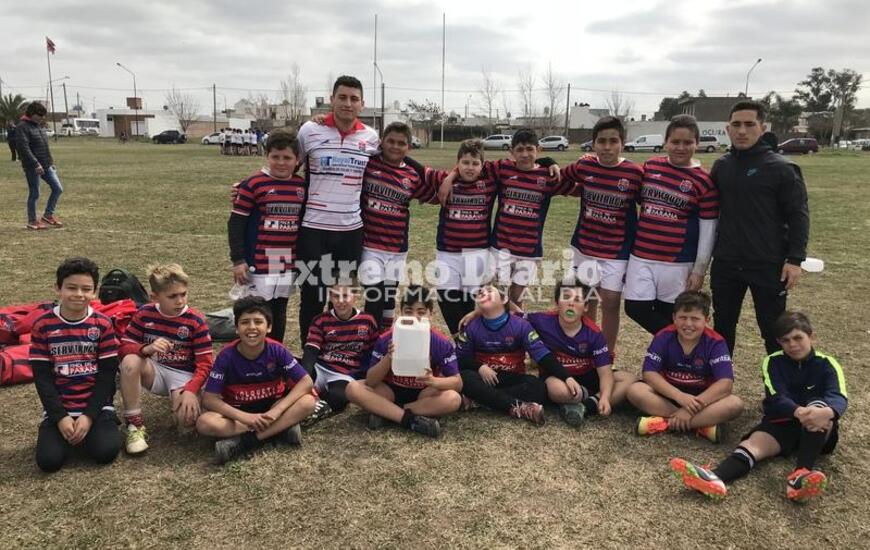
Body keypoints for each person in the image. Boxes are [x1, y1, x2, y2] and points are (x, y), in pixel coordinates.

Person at [670, 311, 847, 502]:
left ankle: (801, 475)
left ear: (811, 336)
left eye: (798, 338)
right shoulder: (773, 361)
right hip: (783, 422)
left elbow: (838, 397)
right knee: (751, 445)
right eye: (786, 340)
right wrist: (798, 411)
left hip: (819, 430)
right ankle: (716, 477)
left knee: (818, 405)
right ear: (779, 342)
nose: (793, 345)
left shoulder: (828, 364)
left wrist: (827, 412)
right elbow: (776, 397)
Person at [710, 100, 809, 356]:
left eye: (749, 124)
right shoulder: (721, 166)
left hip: (768, 264)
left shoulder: (782, 168)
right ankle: (719, 387)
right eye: (736, 125)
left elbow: (798, 216)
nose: (742, 131)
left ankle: (778, 391)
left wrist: (795, 259)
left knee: (773, 330)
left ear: (762, 127)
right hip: (727, 262)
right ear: (728, 129)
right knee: (722, 329)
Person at [296, 76, 380, 341]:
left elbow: (396, 158)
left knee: (341, 297)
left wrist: (452, 173)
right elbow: (285, 165)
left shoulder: (371, 137)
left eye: (354, 99)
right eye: (342, 97)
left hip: (350, 231)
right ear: (332, 99)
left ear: (362, 104)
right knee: (313, 295)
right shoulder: (309, 131)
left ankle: (337, 353)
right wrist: (252, 182)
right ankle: (309, 356)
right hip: (313, 229)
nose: (347, 103)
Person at [624, 115, 718, 335]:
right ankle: (680, 341)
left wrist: (700, 270)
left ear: (697, 143)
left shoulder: (704, 181)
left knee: (670, 314)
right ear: (666, 142)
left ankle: (675, 356)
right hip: (642, 256)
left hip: (677, 262)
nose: (681, 148)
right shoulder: (650, 166)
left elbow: (708, 229)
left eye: (688, 143)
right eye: (675, 142)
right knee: (635, 308)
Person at [557, 116, 644, 355]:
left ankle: (606, 355)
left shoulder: (635, 173)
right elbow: (558, 178)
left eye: (613, 141)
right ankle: (586, 347)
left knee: (611, 302)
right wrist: (573, 189)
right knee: (585, 299)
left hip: (616, 251)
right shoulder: (584, 166)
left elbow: (646, 203)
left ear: (622, 143)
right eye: (602, 141)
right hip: (584, 247)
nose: (607, 147)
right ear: (593, 144)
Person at [196, 296, 317, 465]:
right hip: (239, 414)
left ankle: (246, 442)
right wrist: (247, 418)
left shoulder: (277, 350)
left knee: (308, 402)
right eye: (245, 322)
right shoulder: (226, 356)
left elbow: (306, 382)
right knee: (204, 423)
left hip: (272, 410)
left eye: (258, 322)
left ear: (269, 327)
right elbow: (209, 398)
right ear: (237, 328)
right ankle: (280, 430)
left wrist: (277, 411)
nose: (252, 327)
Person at [29, 257, 122, 472]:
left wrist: (89, 416)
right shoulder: (43, 325)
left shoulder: (103, 324)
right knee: (48, 462)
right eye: (71, 287)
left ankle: (100, 425)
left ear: (95, 292)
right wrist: (60, 417)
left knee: (105, 453)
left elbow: (107, 376)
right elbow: (42, 378)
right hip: (61, 407)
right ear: (58, 288)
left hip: (96, 406)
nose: (79, 294)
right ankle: (59, 429)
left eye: (86, 289)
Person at [118, 263, 214, 455]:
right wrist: (146, 348)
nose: (180, 300)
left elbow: (206, 364)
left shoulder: (196, 320)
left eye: (183, 294)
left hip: (184, 375)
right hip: (155, 370)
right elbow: (123, 347)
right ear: (155, 297)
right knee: (130, 361)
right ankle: (134, 425)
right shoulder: (144, 314)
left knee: (186, 424)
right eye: (172, 296)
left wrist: (190, 389)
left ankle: (187, 401)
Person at [627, 290, 744, 443]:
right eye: (683, 318)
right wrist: (680, 397)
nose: (688, 324)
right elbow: (649, 373)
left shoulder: (716, 342)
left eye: (695, 319)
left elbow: (725, 384)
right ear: (674, 318)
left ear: (706, 320)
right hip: (668, 397)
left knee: (735, 404)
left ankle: (665, 423)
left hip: (702, 401)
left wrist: (691, 409)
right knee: (635, 390)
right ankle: (701, 425)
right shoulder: (663, 336)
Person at [346, 285, 462, 437]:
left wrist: (434, 381)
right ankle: (407, 419)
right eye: (408, 311)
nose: (414, 317)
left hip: (423, 394)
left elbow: (457, 383)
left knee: (453, 399)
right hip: (390, 390)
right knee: (352, 388)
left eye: (421, 312)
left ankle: (388, 412)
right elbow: (371, 381)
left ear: (431, 314)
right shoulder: (387, 338)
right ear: (401, 313)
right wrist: (389, 357)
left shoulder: (439, 342)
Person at [227, 129, 306, 343]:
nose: (281, 162)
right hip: (259, 263)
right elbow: (236, 223)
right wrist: (238, 259)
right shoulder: (253, 184)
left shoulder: (301, 186)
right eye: (275, 157)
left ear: (297, 159)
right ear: (267, 156)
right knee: (258, 313)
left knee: (279, 311)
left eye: (287, 158)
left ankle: (276, 355)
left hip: (286, 263)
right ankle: (254, 357)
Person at [359, 121, 435, 331]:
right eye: (390, 141)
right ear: (381, 142)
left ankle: (384, 339)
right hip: (370, 245)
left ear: (408, 147)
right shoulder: (368, 164)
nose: (395, 146)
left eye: (401, 143)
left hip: (397, 248)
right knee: (374, 296)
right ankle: (370, 342)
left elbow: (434, 196)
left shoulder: (411, 175)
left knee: (388, 298)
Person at [457, 283, 570, 425]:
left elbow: (543, 355)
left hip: (511, 379)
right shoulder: (472, 326)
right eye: (480, 292)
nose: (483, 292)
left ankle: (480, 400)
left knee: (539, 387)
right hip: (483, 378)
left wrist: (567, 377)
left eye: (489, 290)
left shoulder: (520, 325)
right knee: (464, 377)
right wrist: (480, 367)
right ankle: (520, 407)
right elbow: (460, 359)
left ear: (504, 300)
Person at [530, 278, 637, 426]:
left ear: (586, 307)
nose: (571, 303)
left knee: (630, 380)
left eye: (577, 299)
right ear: (557, 304)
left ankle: (587, 405)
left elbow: (605, 373)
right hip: (557, 376)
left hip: (587, 376)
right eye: (566, 297)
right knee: (558, 391)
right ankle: (587, 398)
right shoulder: (541, 320)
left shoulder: (594, 333)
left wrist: (605, 397)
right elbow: (513, 314)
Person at [426, 139, 498, 337]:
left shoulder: (490, 182)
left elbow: (517, 163)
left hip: (476, 252)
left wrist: (549, 160)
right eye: (465, 163)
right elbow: (419, 169)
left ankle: (466, 344)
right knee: (446, 295)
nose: (470, 167)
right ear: (458, 163)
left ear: (482, 165)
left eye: (475, 163)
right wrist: (450, 177)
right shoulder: (444, 179)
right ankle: (461, 338)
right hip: (447, 251)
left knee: (468, 301)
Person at [302, 276, 379, 422]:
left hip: (344, 374)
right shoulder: (320, 320)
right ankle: (303, 400)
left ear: (355, 296)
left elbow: (373, 353)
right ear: (330, 296)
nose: (340, 301)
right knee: (295, 374)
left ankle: (315, 411)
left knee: (340, 397)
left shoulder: (367, 321)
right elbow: (310, 351)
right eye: (336, 296)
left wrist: (365, 377)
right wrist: (303, 378)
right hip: (320, 368)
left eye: (345, 295)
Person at [15, 101, 64, 230]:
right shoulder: (22, 127)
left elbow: (44, 147)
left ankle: (48, 215)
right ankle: (32, 221)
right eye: (40, 115)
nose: (43, 117)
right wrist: (35, 164)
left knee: (58, 188)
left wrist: (50, 163)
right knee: (35, 193)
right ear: (31, 114)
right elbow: (23, 148)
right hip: (32, 166)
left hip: (46, 165)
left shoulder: (39, 126)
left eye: (43, 115)